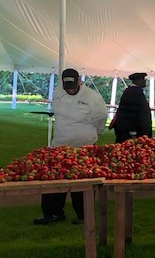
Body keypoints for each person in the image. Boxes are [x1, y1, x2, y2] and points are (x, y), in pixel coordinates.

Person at [33, 68, 108, 225]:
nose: (71, 90)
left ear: (79, 80)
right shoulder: (58, 92)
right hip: (59, 144)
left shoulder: (92, 97)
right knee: (52, 180)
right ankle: (52, 214)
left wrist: (95, 134)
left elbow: (101, 118)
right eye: (68, 87)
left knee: (82, 182)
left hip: (84, 146)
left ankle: (84, 215)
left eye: (73, 86)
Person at [111, 72, 152, 143]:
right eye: (143, 79)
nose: (145, 81)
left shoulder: (131, 91)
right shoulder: (134, 92)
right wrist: (133, 132)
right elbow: (130, 114)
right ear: (138, 81)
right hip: (131, 133)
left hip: (129, 131)